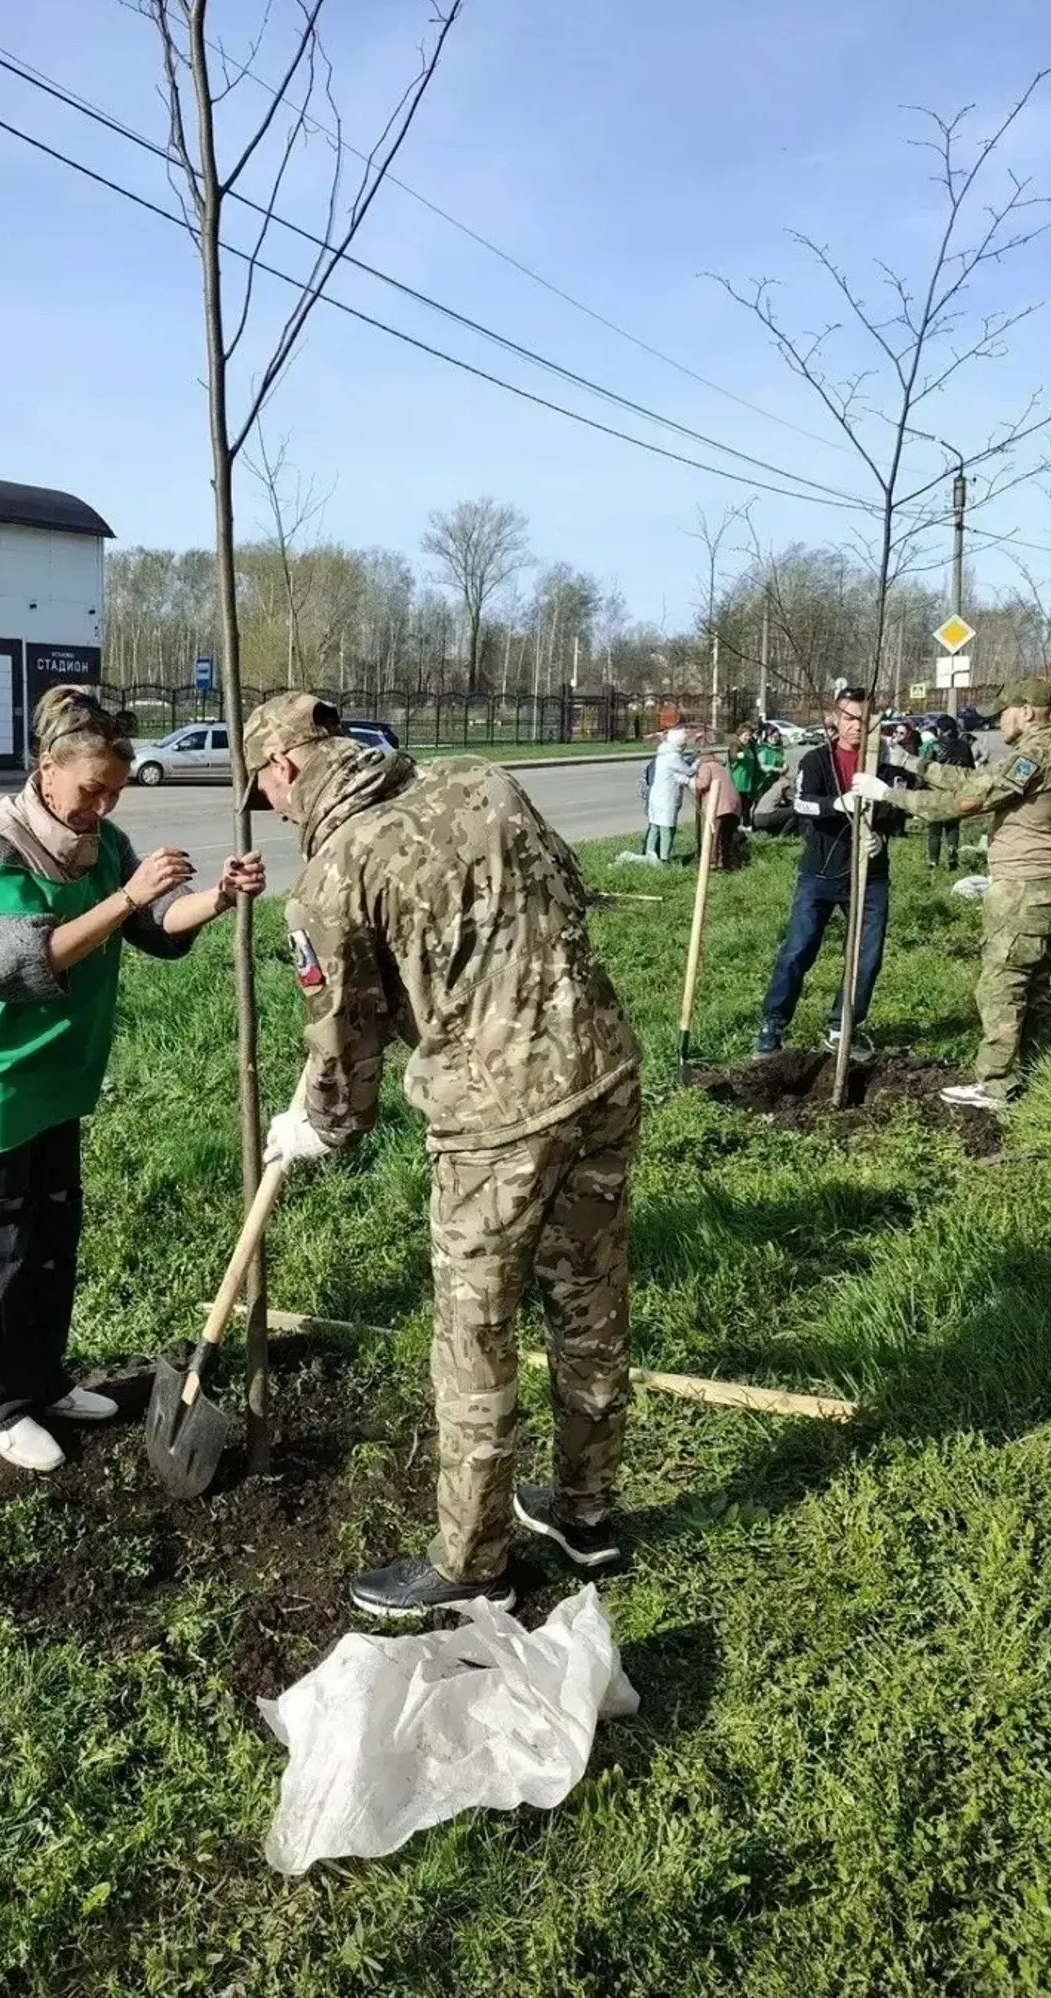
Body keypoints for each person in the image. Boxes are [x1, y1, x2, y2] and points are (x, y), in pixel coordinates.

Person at [244, 693, 641, 1620]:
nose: (276, 810)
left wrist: (321, 1122)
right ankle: (588, 1513)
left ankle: (471, 1559)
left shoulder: (335, 876)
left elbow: (346, 1036)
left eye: (268, 790)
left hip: (494, 1119)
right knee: (590, 1299)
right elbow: (570, 892)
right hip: (605, 1067)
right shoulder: (483, 780)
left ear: (291, 765)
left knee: (475, 1333)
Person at [0, 686, 265, 1473]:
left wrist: (215, 900)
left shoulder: (102, 837)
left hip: (59, 1068)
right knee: (0, 1244)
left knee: (54, 1234)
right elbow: (21, 965)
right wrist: (126, 896)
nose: (103, 805)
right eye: (92, 789)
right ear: (47, 769)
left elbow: (153, 930)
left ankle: (46, 1383)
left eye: (115, 792)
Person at [853, 677, 1051, 1110]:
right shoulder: (1032, 752)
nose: (999, 720)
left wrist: (891, 794)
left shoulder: (1036, 755)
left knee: (1002, 984)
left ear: (1029, 711)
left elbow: (969, 803)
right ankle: (1034, 1072)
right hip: (1038, 888)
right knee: (1037, 987)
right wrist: (909, 762)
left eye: (1005, 711)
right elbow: (977, 779)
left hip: (1026, 889)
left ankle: (997, 1084)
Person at [754, 688, 908, 1060]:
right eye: (851, 718)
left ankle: (843, 1028)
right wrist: (834, 804)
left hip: (870, 877)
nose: (858, 727)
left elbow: (899, 810)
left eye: (867, 720)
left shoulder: (884, 764)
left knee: (866, 957)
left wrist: (882, 838)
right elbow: (803, 805)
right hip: (820, 873)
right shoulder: (816, 760)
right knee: (798, 949)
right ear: (836, 719)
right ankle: (773, 1026)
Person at [916, 714, 976, 872]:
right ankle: (952, 854)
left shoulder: (934, 746)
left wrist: (920, 789)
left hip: (936, 792)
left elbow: (926, 770)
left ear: (941, 729)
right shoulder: (964, 746)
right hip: (957, 791)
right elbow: (972, 769)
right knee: (953, 827)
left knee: (935, 829)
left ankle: (933, 862)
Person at [644, 727, 698, 862]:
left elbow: (681, 765)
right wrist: (697, 761)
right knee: (667, 828)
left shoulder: (664, 753)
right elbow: (689, 771)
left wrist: (692, 757)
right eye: (684, 744)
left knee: (655, 827)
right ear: (680, 744)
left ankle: (650, 855)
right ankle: (664, 859)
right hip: (666, 799)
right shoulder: (673, 757)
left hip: (656, 797)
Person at [695, 750, 745, 871]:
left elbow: (702, 784)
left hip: (719, 806)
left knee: (713, 836)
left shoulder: (706, 766)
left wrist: (690, 780)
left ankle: (713, 864)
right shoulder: (720, 767)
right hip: (734, 805)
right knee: (728, 836)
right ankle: (732, 862)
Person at [729, 723, 764, 829]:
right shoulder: (735, 744)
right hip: (739, 782)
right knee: (739, 806)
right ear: (740, 733)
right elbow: (733, 755)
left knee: (747, 806)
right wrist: (740, 755)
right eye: (746, 735)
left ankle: (746, 825)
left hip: (749, 782)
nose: (748, 737)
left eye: (750, 735)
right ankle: (736, 827)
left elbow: (758, 748)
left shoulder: (749, 745)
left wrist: (757, 738)